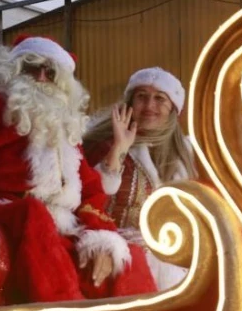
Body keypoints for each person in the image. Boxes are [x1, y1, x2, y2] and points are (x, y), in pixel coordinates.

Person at [0, 11, 157, 305]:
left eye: (50, 73)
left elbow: (91, 191)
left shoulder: (66, 131)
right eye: (32, 68)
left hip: (53, 228)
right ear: (12, 71)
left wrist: (102, 239)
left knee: (128, 255)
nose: (41, 77)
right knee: (33, 214)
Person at [83, 67, 198, 289]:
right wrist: (118, 148)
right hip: (112, 252)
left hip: (169, 260)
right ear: (130, 102)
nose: (149, 106)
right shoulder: (99, 142)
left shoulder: (185, 155)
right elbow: (92, 195)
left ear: (173, 108)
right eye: (142, 97)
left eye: (159, 99)